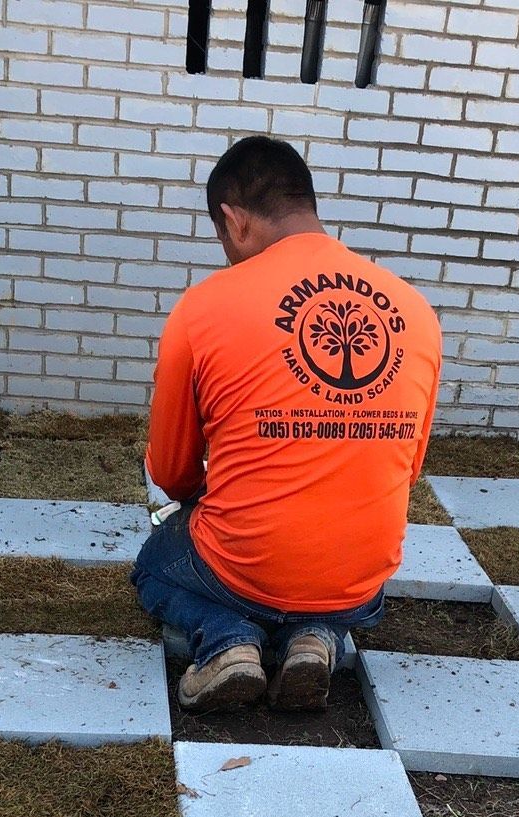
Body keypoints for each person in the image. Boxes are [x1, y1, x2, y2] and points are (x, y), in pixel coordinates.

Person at [132, 134, 442, 712]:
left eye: (223, 238)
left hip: (241, 569)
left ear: (234, 220)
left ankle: (227, 641)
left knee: (156, 563)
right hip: (358, 580)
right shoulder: (415, 310)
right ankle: (315, 636)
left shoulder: (202, 307)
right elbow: (408, 468)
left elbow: (172, 475)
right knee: (341, 591)